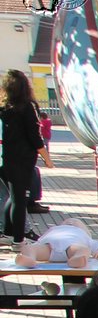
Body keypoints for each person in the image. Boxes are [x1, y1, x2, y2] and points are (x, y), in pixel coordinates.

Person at [1, 69, 44, 243]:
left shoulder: (4, 108)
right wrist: (47, 158)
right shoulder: (27, 107)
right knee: (19, 199)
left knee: (11, 197)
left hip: (6, 159)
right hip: (21, 160)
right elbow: (35, 136)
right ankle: (18, 240)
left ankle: (9, 232)